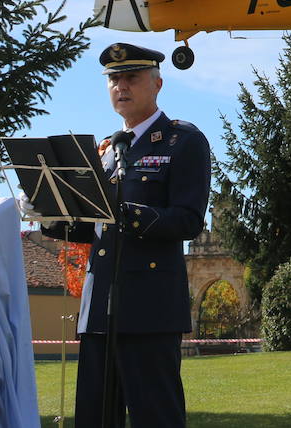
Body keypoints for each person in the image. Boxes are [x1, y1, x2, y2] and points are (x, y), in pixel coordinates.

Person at [37, 42, 211, 428]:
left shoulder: (182, 141)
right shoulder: (105, 151)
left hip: (149, 307)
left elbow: (187, 220)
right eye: (114, 79)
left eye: (131, 77)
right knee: (95, 417)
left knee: (156, 416)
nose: (121, 86)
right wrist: (51, 216)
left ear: (157, 83)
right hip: (99, 307)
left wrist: (129, 215)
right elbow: (94, 226)